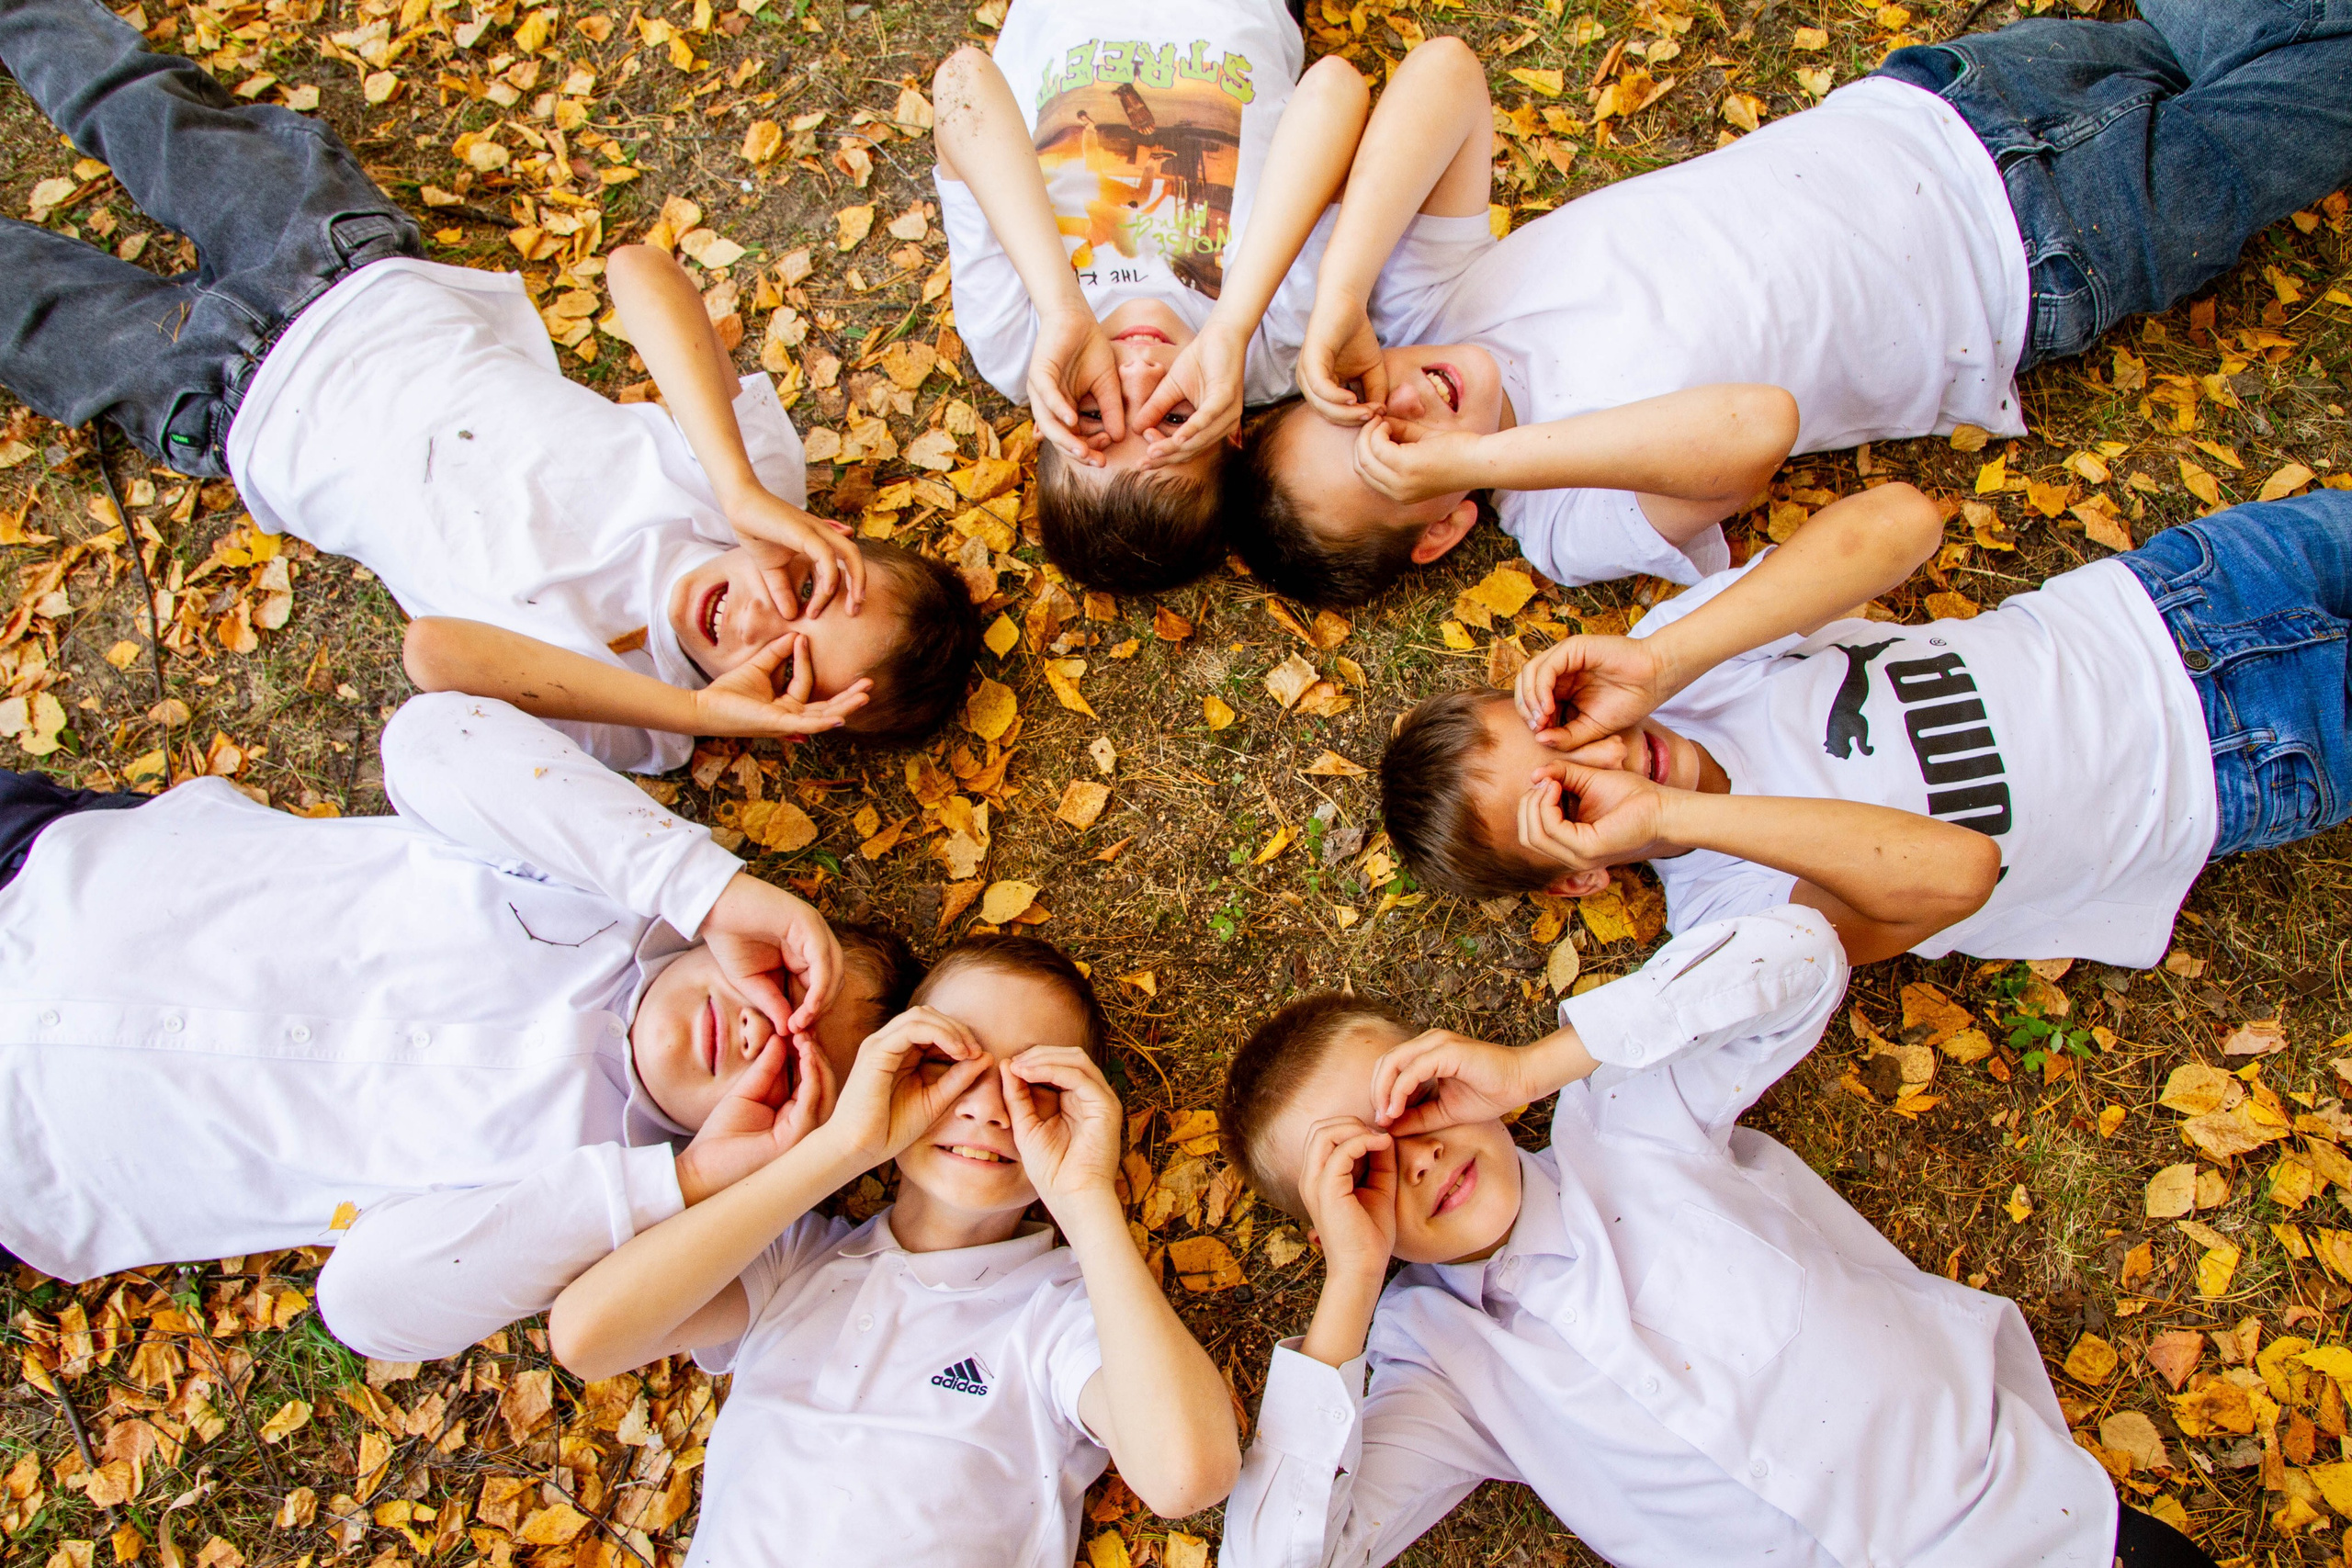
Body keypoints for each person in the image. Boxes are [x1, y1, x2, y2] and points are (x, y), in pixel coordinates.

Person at [0, 0, 979, 773]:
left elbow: (434, 653)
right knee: (135, 102)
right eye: (809, 585)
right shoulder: (748, 488)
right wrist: (735, 489)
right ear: (827, 540)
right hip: (341, 272)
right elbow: (639, 273)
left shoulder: (632, 723)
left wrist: (690, 709)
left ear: (785, 721)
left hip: (222, 405)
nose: (766, 613)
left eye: (791, 665)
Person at [1227, 0, 2352, 606]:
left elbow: (1446, 74)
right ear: (1439, 526)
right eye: (1393, 459)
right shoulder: (1564, 522)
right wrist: (1473, 461)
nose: (1399, 410)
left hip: (1946, 102)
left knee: (2223, 29)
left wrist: (1339, 311)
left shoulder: (1426, 307)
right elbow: (1750, 429)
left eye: (1353, 406)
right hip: (2049, 256)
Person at [1214, 908, 2219, 1568]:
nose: (1420, 1159)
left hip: (2051, 1541)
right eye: (1362, 1168)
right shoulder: (1438, 1374)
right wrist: (1350, 1288)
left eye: (1413, 1104)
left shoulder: (1627, 1124)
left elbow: (1797, 956)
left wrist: (1537, 1065)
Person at [0, 690, 896, 1361]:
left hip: (29, 1163)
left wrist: (690, 1182)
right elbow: (430, 738)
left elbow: (368, 1305)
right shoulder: (592, 876)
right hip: (42, 878)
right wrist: (708, 890)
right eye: (792, 991)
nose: (761, 1034)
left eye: (794, 1077)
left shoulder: (591, 1197)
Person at [1382, 483, 2352, 969]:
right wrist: (1665, 816)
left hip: (2171, 595)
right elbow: (1954, 874)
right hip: (2235, 766)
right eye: (1564, 788)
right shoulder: (1731, 921)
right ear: (1580, 871)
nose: (1600, 749)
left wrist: (1664, 661)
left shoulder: (1674, 667)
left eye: (1549, 723)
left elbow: (1899, 523)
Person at [548, 935, 1240, 1568]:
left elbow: (1188, 1476)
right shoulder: (790, 1260)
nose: (988, 1107)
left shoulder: (1055, 1318)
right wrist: (846, 1145)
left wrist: (1088, 1199)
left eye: (1037, 1088)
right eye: (945, 1062)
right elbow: (586, 1335)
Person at [932, 6, 1492, 591]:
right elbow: (1334, 87)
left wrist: (1060, 307)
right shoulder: (1277, 345)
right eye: (1173, 415)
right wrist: (1232, 325)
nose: (1142, 373)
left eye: (1096, 408)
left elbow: (962, 81)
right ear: (1228, 430)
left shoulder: (1016, 344)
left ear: (1047, 424)